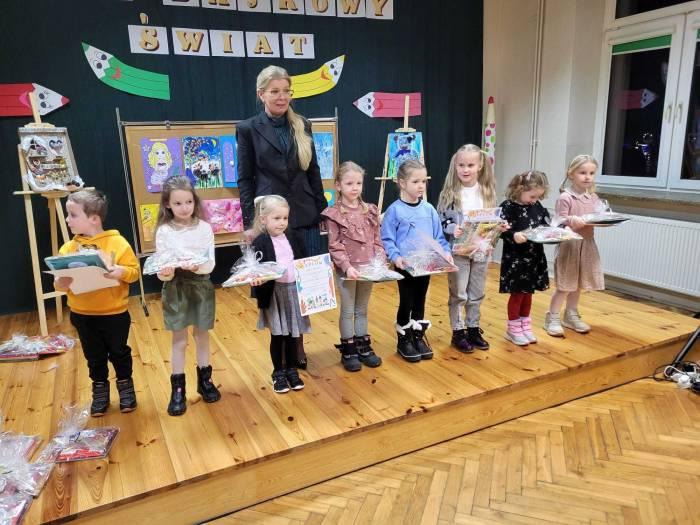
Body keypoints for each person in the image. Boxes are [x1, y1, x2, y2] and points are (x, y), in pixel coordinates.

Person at [237, 65, 327, 368]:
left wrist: (322, 208)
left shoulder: (303, 124)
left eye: (286, 91)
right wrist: (251, 222)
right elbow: (245, 178)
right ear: (261, 94)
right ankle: (282, 346)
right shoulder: (248, 128)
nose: (281, 97)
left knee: (303, 281)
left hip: (304, 214)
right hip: (271, 218)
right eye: (274, 91)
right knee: (275, 285)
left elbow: (313, 171)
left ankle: (299, 343)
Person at [54, 189, 140, 417]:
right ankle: (100, 391)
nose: (67, 219)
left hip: (114, 313)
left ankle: (126, 386)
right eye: (68, 214)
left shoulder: (118, 243)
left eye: (72, 215)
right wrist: (61, 282)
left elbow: (134, 272)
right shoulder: (68, 249)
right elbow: (59, 284)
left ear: (94, 219)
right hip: (82, 314)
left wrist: (121, 271)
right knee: (94, 356)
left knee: (119, 352)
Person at [155, 176, 220, 416]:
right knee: (179, 340)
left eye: (189, 202)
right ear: (167, 204)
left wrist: (197, 266)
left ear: (195, 201)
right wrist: (166, 272)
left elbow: (210, 263)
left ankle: (205, 381)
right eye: (178, 203)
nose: (184, 208)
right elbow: (162, 267)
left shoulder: (204, 228)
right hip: (176, 287)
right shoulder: (164, 231)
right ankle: (178, 390)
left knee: (202, 336)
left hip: (201, 285)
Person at [381, 159, 453, 362]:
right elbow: (387, 239)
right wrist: (396, 257)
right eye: (415, 181)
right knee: (407, 301)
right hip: (405, 267)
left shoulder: (429, 209)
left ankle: (417, 336)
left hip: (426, 265)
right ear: (402, 183)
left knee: (420, 300)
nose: (421, 186)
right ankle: (404, 339)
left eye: (423, 181)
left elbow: (439, 238)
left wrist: (446, 252)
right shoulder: (394, 210)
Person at [437, 144, 501, 353]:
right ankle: (458, 331)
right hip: (459, 252)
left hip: (481, 250)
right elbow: (441, 220)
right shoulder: (450, 193)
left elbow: (491, 221)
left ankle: (473, 328)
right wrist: (452, 228)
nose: (465, 169)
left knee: (477, 292)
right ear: (455, 166)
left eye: (470, 165)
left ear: (480, 166)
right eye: (461, 165)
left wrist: (497, 230)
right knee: (459, 293)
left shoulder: (487, 192)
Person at [321, 161, 384, 372]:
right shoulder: (334, 214)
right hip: (348, 271)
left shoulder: (370, 211)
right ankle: (348, 349)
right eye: (349, 183)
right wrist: (347, 267)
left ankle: (363, 346)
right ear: (338, 185)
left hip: (368, 269)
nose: (355, 188)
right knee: (348, 311)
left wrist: (380, 261)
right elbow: (335, 245)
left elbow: (377, 240)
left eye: (358, 183)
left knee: (362, 309)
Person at [250, 195, 309, 394]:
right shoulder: (260, 242)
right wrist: (256, 280)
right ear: (263, 219)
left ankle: (292, 370)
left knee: (292, 334)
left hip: (293, 292)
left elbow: (304, 260)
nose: (282, 222)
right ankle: (278, 373)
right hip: (274, 294)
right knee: (278, 335)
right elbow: (255, 269)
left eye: (285, 218)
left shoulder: (293, 237)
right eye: (277, 218)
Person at [545, 155, 604, 336]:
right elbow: (558, 220)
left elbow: (599, 216)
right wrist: (571, 219)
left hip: (587, 244)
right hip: (570, 245)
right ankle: (552, 317)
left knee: (578, 284)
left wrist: (605, 219)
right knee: (565, 285)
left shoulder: (593, 197)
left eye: (591, 173)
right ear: (571, 174)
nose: (587, 177)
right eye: (583, 172)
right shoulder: (566, 197)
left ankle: (570, 314)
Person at [498, 171, 551, 346]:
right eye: (532, 196)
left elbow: (545, 224)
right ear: (519, 189)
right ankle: (513, 329)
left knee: (528, 293)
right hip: (516, 259)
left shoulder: (537, 206)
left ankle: (525, 326)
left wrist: (555, 231)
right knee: (517, 294)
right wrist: (513, 235)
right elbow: (499, 229)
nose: (535, 200)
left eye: (538, 197)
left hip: (534, 257)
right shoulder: (507, 207)